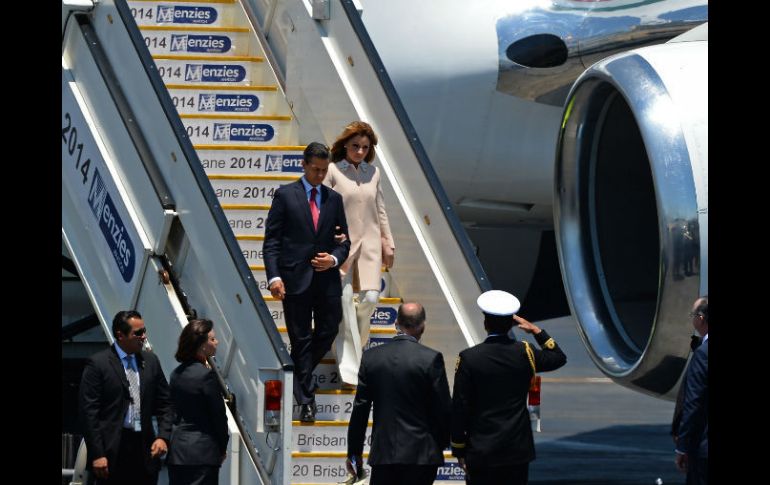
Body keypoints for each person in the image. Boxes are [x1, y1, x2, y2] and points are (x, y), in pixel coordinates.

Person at [263, 141, 351, 422]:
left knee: (328, 328)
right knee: (300, 338)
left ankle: (297, 373)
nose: (320, 175)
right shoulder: (286, 195)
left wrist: (334, 260)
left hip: (326, 281)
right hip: (294, 279)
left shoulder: (333, 199)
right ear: (304, 165)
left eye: (324, 171)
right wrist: (274, 276)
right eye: (315, 169)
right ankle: (307, 401)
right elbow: (272, 241)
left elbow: (344, 241)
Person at [451, 290, 567, 485]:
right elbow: (558, 357)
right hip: (516, 450)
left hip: (481, 449)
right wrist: (536, 331)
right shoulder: (526, 353)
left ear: (485, 324)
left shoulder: (469, 358)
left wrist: (459, 448)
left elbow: (460, 407)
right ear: (511, 323)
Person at [346, 302, 451, 485]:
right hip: (421, 455)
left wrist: (354, 452)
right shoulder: (431, 358)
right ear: (423, 326)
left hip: (384, 454)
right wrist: (443, 443)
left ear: (396, 322)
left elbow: (360, 409)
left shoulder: (371, 358)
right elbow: (442, 407)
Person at [325, 121, 395, 387]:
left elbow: (380, 209)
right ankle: (350, 368)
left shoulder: (373, 173)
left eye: (365, 147)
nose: (360, 151)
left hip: (369, 245)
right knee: (344, 304)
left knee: (370, 299)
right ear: (345, 145)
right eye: (355, 146)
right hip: (341, 244)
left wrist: (388, 241)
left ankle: (356, 347)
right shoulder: (332, 171)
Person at [78, 310, 173, 485]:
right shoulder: (98, 364)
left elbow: (165, 403)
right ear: (120, 335)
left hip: (144, 450)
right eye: (138, 333)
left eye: (144, 331)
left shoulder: (151, 362)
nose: (143, 337)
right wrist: (98, 454)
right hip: (111, 452)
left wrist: (163, 436)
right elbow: (88, 413)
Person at [167, 319, 230, 485]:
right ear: (201, 345)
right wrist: (222, 447)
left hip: (178, 452)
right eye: (212, 339)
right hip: (203, 453)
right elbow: (218, 416)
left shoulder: (176, 374)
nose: (217, 342)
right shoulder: (206, 376)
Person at [674, 296, 708, 485]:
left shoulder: (703, 354)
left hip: (704, 450)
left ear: (701, 319)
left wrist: (682, 447)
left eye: (693, 314)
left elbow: (693, 403)